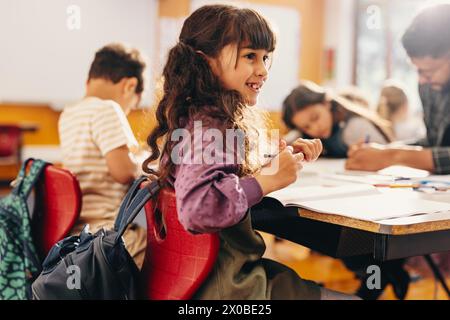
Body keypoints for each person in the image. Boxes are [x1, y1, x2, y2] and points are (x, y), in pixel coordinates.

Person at [142, 4, 358, 300]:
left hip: (202, 279)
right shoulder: (212, 126)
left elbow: (217, 176)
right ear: (206, 62)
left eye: (266, 57)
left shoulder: (195, 117)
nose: (263, 70)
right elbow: (198, 209)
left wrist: (275, 164)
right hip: (229, 287)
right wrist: (266, 181)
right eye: (250, 56)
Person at [58, 43, 147, 268]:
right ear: (130, 86)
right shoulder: (108, 109)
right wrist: (143, 163)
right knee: (162, 251)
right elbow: (124, 173)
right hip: (107, 233)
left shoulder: (69, 114)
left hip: (76, 230)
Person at [346, 4, 450, 174]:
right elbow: (435, 144)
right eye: (418, 70)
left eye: (429, 71)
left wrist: (394, 156)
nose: (422, 80)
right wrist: (382, 151)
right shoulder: (428, 86)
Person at [282, 80, 393, 158]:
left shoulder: (355, 127)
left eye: (315, 118)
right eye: (306, 127)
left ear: (326, 103)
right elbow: (291, 139)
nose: (315, 129)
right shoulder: (305, 135)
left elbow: (389, 154)